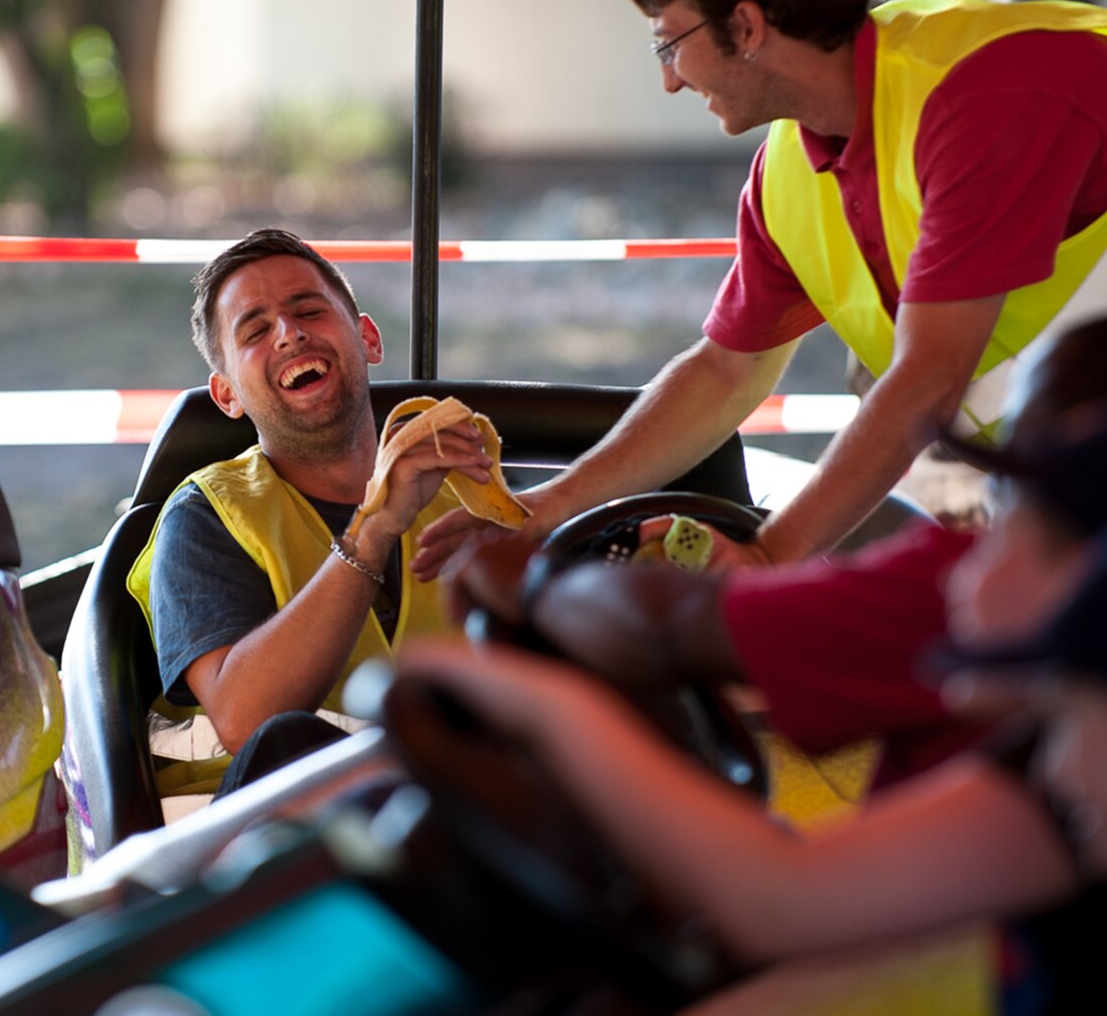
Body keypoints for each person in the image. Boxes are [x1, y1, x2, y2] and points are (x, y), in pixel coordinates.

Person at [419, 0, 1107, 576]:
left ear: (745, 26)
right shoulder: (788, 169)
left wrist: (770, 555)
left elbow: (929, 375)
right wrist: (539, 512)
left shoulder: (985, 97)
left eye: (669, 42)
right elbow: (724, 372)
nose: (670, 78)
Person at [401, 402, 1107, 1011]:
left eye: (1012, 529)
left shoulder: (1043, 755)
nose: (959, 553)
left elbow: (777, 901)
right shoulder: (1032, 789)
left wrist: (541, 684)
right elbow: (782, 896)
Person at [445, 316, 1107, 793]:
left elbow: (668, 624)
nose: (985, 537)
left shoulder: (936, 590)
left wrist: (537, 585)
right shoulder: (1028, 809)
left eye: (1017, 498)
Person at [127, 228, 495, 793]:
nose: (290, 334)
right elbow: (248, 719)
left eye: (308, 311)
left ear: (368, 339)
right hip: (266, 845)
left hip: (455, 808)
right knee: (288, 740)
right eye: (255, 329)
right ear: (226, 395)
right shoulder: (206, 517)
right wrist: (374, 531)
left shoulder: (468, 496)